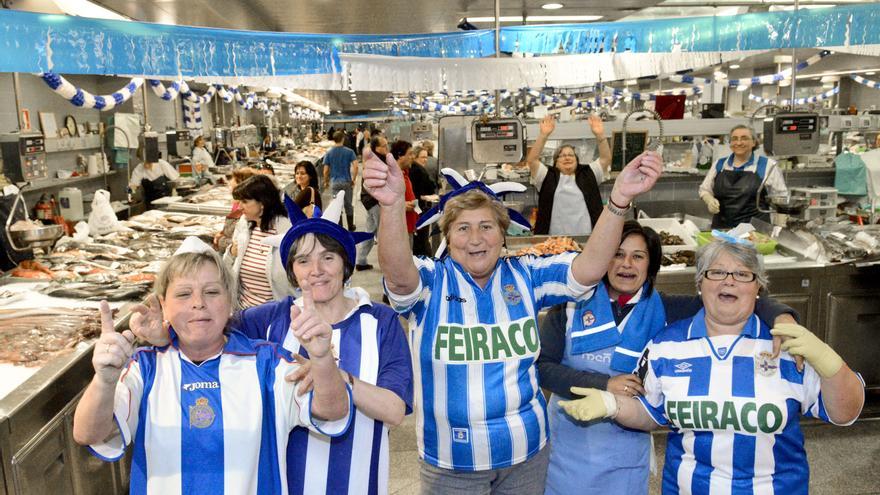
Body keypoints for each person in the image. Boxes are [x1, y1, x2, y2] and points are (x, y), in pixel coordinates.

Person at [364, 142, 663, 494]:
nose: (476, 239)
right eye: (462, 228)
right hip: (452, 463)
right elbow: (398, 275)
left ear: (503, 234)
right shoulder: (432, 281)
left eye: (487, 227)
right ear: (447, 236)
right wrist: (392, 206)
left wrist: (618, 202)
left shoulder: (526, 274)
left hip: (525, 456)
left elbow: (589, 270)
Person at [130, 196, 413, 495]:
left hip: (357, 481)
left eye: (327, 258)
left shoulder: (380, 322)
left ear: (345, 262)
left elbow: (394, 410)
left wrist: (329, 372)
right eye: (303, 260)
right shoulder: (270, 319)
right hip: (283, 483)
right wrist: (167, 336)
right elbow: (205, 328)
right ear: (291, 271)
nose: (315, 270)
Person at [558, 239, 865, 494]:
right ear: (700, 284)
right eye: (716, 273)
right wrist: (612, 404)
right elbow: (652, 413)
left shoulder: (786, 345)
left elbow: (844, 412)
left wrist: (828, 361)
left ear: (758, 287)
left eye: (742, 274)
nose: (729, 281)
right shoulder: (667, 345)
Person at [73, 237, 351, 494]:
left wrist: (322, 357)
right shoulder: (145, 368)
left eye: (212, 292)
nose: (198, 304)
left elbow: (332, 411)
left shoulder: (268, 365)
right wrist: (105, 380)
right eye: (183, 294)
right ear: (163, 305)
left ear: (230, 301)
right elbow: (88, 433)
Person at [526, 114, 612, 235]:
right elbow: (532, 160)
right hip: (553, 240)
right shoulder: (547, 176)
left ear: (577, 160)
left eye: (571, 155)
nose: (567, 158)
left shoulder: (588, 174)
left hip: (588, 237)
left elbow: (605, 159)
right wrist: (543, 135)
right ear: (555, 162)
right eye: (562, 155)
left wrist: (600, 135)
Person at [699, 125, 788, 229]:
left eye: (744, 138)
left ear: (754, 142)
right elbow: (704, 190)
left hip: (755, 233)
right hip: (722, 231)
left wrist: (779, 227)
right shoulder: (719, 164)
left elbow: (781, 198)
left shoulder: (768, 165)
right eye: (734, 139)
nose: (739, 143)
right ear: (730, 143)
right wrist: (709, 200)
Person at [226, 174, 294, 308]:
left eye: (245, 201)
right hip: (243, 313)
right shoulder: (244, 224)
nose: (239, 206)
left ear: (262, 203)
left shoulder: (286, 230)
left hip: (275, 316)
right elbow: (228, 267)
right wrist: (230, 253)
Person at [355, 135, 387, 272]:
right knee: (383, 234)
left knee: (370, 231)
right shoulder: (377, 162)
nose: (387, 148)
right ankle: (387, 264)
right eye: (384, 146)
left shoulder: (377, 160)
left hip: (370, 201)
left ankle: (361, 261)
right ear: (376, 148)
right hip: (374, 201)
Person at [323, 131, 359, 231]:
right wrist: (354, 179)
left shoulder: (329, 152)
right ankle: (351, 227)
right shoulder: (349, 151)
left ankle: (340, 228)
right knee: (348, 205)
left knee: (337, 206)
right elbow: (356, 166)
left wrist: (326, 181)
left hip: (334, 183)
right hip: (346, 182)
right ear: (343, 139)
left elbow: (325, 170)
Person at [410, 146, 436, 257]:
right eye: (422, 157)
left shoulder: (414, 169)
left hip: (417, 208)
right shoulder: (418, 170)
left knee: (419, 240)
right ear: (415, 157)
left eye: (426, 157)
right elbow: (417, 193)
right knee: (423, 240)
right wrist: (419, 211)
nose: (425, 160)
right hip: (420, 209)